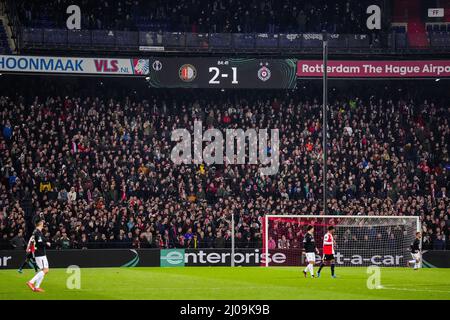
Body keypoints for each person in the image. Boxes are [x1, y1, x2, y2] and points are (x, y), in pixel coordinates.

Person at [26, 218, 51, 292]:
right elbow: (40, 243)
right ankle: (31, 282)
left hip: (38, 253)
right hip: (40, 253)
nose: (43, 224)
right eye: (42, 223)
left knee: (42, 270)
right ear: (40, 224)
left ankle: (37, 287)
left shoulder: (36, 232)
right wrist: (46, 243)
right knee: (46, 270)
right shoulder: (37, 232)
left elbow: (39, 239)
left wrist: (46, 240)